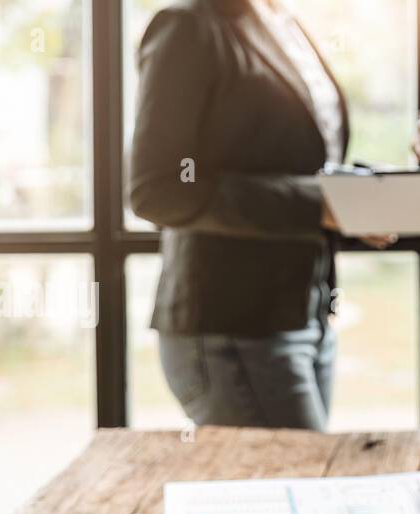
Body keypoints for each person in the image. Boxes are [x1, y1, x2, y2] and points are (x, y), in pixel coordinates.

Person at [130, 0, 387, 430]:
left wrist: (361, 199)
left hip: (307, 313)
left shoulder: (282, 20)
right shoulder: (189, 27)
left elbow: (295, 160)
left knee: (300, 485)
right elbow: (158, 188)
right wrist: (317, 204)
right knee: (299, 486)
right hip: (231, 325)